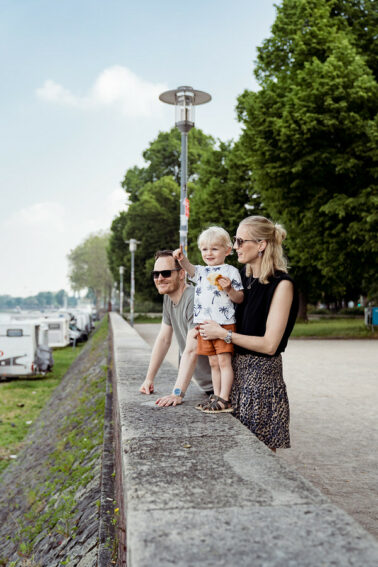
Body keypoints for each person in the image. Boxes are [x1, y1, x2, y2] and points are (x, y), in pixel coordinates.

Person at [199, 216, 298, 450]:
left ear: (261, 245)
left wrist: (222, 334)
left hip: (261, 380)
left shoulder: (282, 285)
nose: (235, 247)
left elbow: (269, 345)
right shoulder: (238, 279)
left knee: (259, 459)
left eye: (241, 241)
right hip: (233, 374)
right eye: (235, 240)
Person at [173, 227, 244, 413]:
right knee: (213, 363)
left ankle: (225, 398)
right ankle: (216, 395)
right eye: (204, 249)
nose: (209, 253)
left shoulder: (231, 271)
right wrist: (182, 259)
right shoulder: (202, 272)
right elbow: (189, 268)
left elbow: (239, 299)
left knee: (223, 361)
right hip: (204, 325)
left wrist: (229, 289)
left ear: (227, 251)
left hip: (223, 324)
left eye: (214, 249)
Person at [139, 249, 212, 406]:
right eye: (156, 274)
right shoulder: (168, 298)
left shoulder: (194, 298)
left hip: (218, 388)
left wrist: (177, 393)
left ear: (181, 274)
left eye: (165, 273)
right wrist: (149, 379)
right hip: (206, 387)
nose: (160, 278)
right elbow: (164, 339)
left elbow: (192, 349)